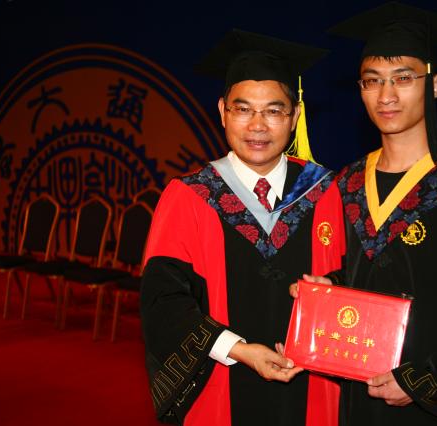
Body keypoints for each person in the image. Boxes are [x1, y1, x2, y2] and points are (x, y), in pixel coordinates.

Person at [293, 2, 437, 425]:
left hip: (430, 402)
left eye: (403, 78)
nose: (386, 96)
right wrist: (329, 289)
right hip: (357, 393)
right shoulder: (347, 183)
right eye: (372, 81)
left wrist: (426, 381)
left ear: (435, 85)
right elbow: (360, 274)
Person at [140, 29, 344, 426]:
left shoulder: (325, 192)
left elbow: (355, 277)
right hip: (220, 385)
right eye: (243, 109)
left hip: (312, 389)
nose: (258, 125)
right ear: (222, 112)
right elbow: (162, 303)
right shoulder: (190, 196)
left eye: (273, 111)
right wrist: (238, 349)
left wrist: (333, 285)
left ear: (295, 116)